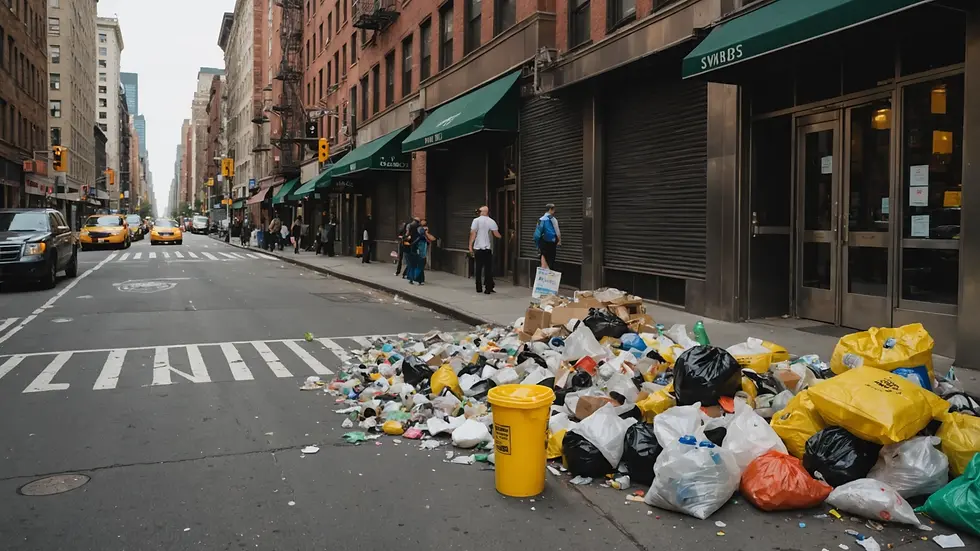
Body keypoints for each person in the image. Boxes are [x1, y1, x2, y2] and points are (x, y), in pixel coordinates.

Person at [469, 205, 501, 295]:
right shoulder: (491, 221)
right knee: (488, 269)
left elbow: (472, 234)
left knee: (478, 269)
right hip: (487, 249)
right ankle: (488, 288)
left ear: (483, 212)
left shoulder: (476, 221)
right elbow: (496, 234)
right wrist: (502, 237)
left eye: (480, 211)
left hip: (478, 249)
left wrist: (470, 247)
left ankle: (478, 288)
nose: (479, 212)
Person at [406, 218, 435, 285]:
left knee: (412, 265)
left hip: (412, 249)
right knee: (419, 266)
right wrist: (426, 233)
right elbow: (429, 239)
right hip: (419, 251)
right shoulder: (421, 232)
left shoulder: (410, 228)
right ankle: (418, 280)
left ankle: (411, 279)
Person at [534, 203, 561, 270]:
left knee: (543, 261)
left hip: (543, 243)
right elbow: (557, 231)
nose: (554, 211)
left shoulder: (541, 219)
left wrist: (537, 244)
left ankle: (543, 277)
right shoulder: (553, 219)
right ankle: (549, 277)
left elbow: (537, 234)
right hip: (551, 243)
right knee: (551, 261)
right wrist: (559, 241)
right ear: (550, 210)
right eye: (553, 209)